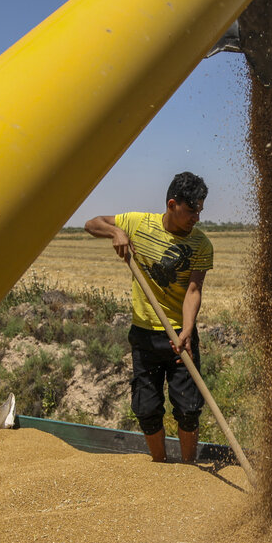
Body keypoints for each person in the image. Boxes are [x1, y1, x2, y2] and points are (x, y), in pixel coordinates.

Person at [85, 172, 213, 463]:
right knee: (146, 408)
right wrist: (115, 233)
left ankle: (188, 467)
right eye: (192, 211)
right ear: (172, 204)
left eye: (199, 211)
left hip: (180, 334)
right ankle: (160, 467)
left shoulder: (201, 244)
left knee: (188, 407)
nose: (197, 218)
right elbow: (91, 223)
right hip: (144, 335)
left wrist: (187, 332)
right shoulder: (137, 222)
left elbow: (193, 290)